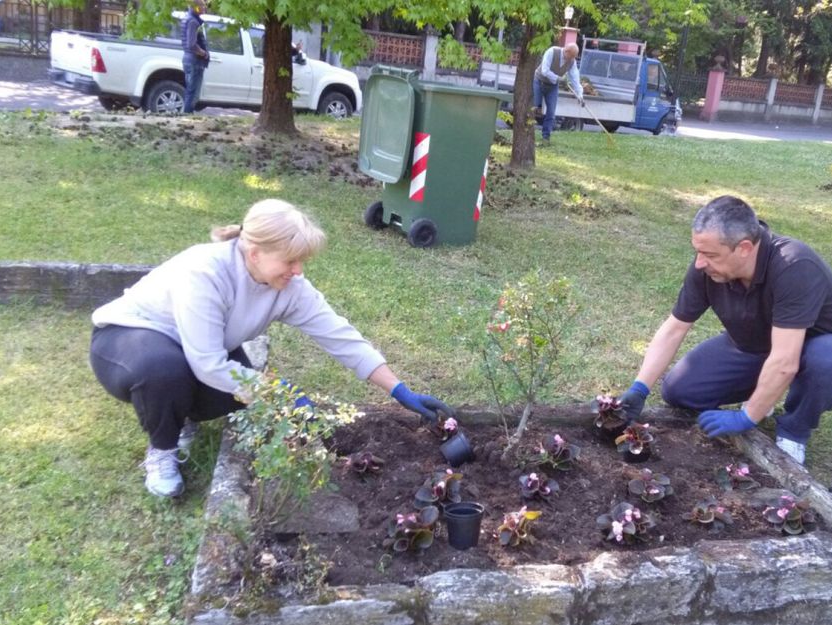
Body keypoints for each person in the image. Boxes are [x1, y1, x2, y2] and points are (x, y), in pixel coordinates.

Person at [89, 199, 454, 497]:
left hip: (197, 349)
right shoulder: (206, 272)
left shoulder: (288, 286)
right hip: (130, 340)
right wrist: (282, 395)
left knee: (230, 397)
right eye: (290, 259)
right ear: (254, 252)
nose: (297, 270)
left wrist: (399, 389)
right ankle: (162, 450)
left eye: (301, 260)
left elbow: (340, 336)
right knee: (164, 374)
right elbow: (207, 364)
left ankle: (178, 414)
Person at [613, 196, 832, 465]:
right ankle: (764, 392)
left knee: (829, 361)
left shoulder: (794, 266)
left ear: (744, 248)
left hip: (810, 347)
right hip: (753, 347)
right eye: (698, 252)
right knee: (679, 390)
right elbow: (674, 328)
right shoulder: (706, 268)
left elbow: (786, 359)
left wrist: (748, 416)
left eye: (710, 255)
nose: (699, 263)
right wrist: (640, 388)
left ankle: (793, 430)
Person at [532, 43, 584, 146]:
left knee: (551, 113)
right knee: (533, 109)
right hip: (538, 81)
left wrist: (580, 95)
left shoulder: (572, 61)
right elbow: (545, 71)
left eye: (574, 57)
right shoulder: (552, 52)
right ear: (566, 51)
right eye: (571, 56)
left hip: (552, 87)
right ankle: (528, 137)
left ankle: (545, 139)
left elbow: (575, 78)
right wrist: (559, 78)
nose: (572, 59)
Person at [181, 0, 210, 114]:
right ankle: (187, 116)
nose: (204, 8)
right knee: (193, 94)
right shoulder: (193, 21)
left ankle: (187, 115)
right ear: (195, 7)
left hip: (189, 59)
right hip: (194, 61)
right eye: (202, 5)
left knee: (190, 91)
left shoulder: (187, 19)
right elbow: (192, 44)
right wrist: (204, 53)